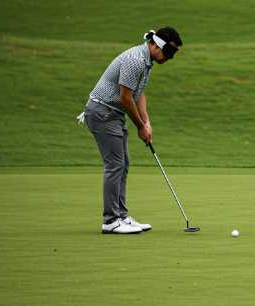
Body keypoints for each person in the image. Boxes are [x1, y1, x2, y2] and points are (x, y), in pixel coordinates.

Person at [77, 27, 182, 234]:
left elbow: (138, 94)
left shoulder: (146, 61)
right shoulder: (135, 59)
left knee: (123, 164)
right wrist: (140, 127)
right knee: (115, 165)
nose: (169, 58)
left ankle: (121, 216)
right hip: (102, 113)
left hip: (112, 115)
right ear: (154, 45)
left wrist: (147, 122)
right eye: (168, 52)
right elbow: (125, 98)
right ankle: (111, 221)